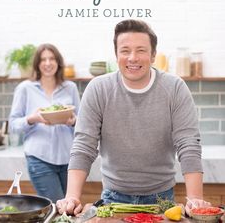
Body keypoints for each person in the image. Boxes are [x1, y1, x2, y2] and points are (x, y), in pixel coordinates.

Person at [56, 19, 210, 215]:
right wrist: (72, 196)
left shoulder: (175, 88)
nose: (133, 58)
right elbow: (84, 145)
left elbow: (188, 145)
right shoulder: (99, 89)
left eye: (141, 50)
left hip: (162, 200)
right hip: (113, 199)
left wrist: (195, 199)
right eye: (125, 50)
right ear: (116, 54)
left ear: (153, 55)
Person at [9, 43, 80, 202]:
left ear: (58, 62)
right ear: (37, 64)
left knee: (69, 207)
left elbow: (82, 122)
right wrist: (33, 118)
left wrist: (73, 121)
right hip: (39, 158)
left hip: (69, 160)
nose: (48, 63)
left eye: (52, 59)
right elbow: (13, 125)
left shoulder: (70, 87)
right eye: (43, 59)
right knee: (56, 207)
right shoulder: (25, 88)